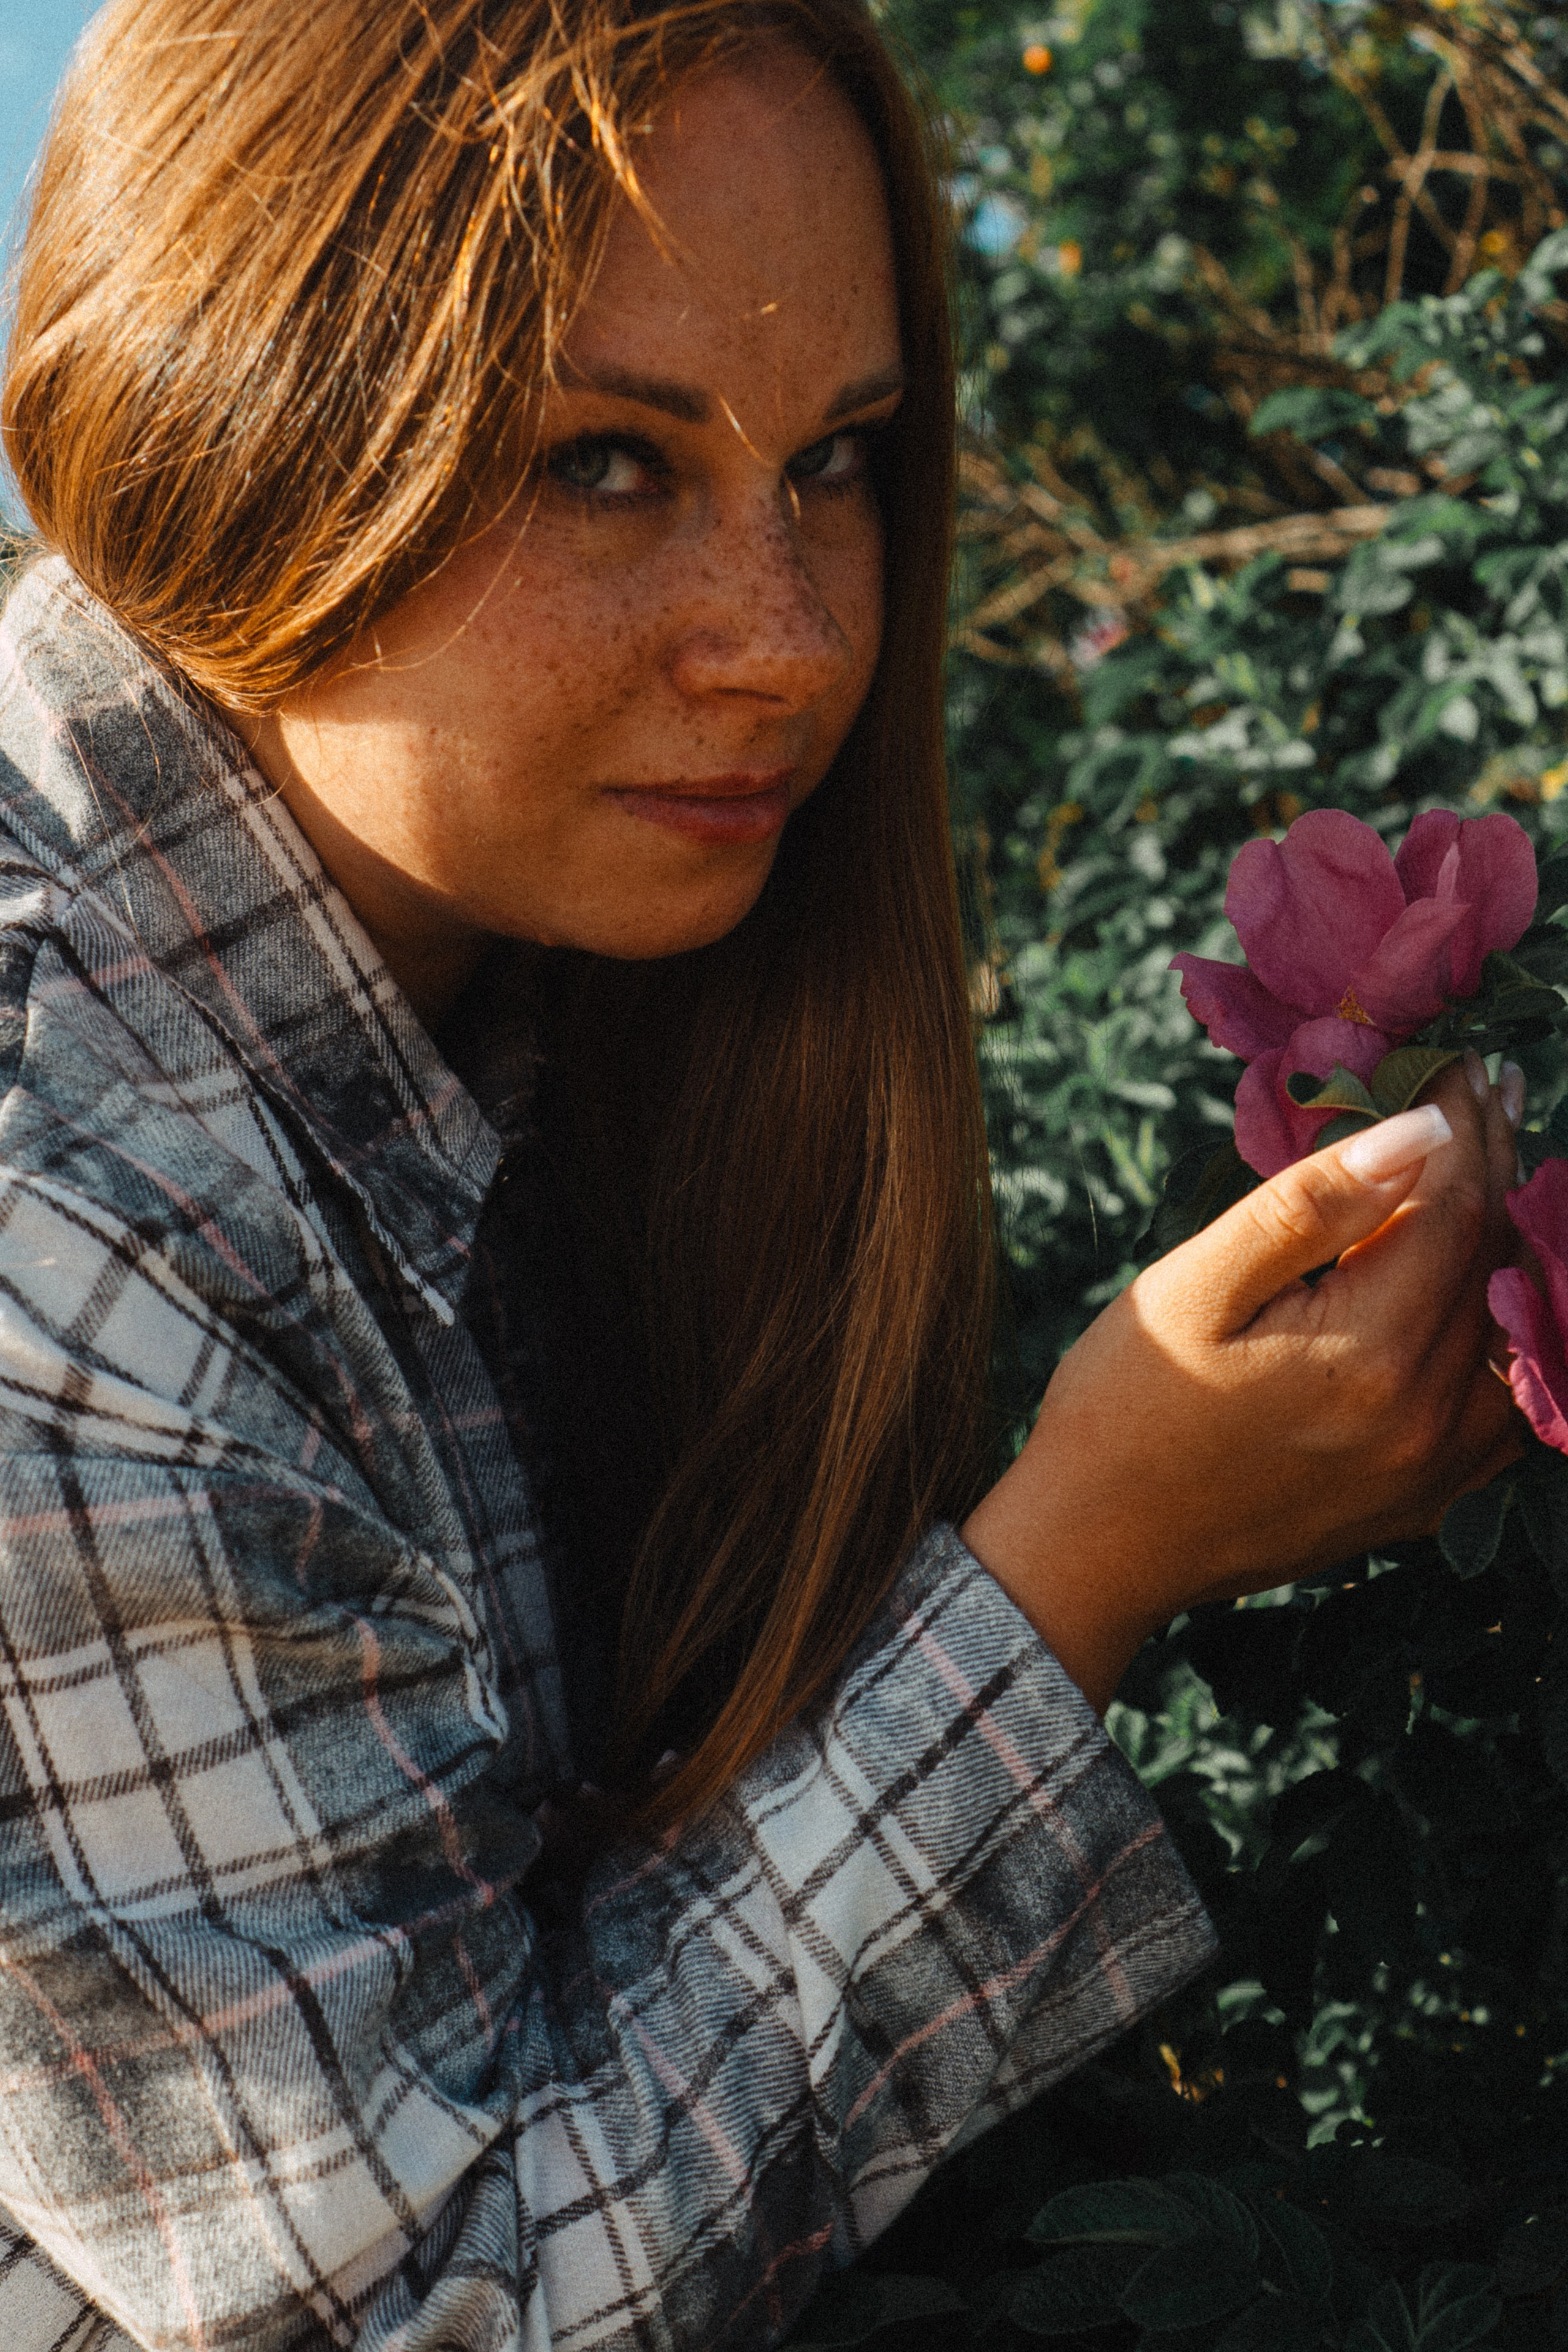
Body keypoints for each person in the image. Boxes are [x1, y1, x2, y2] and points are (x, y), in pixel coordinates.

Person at [0, 0, 1522, 2345]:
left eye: (841, 461)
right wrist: (1090, 1558)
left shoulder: (497, 973)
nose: (792, 642)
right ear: (234, 419)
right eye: (607, 462)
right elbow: (434, 2309)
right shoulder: (59, 1221)